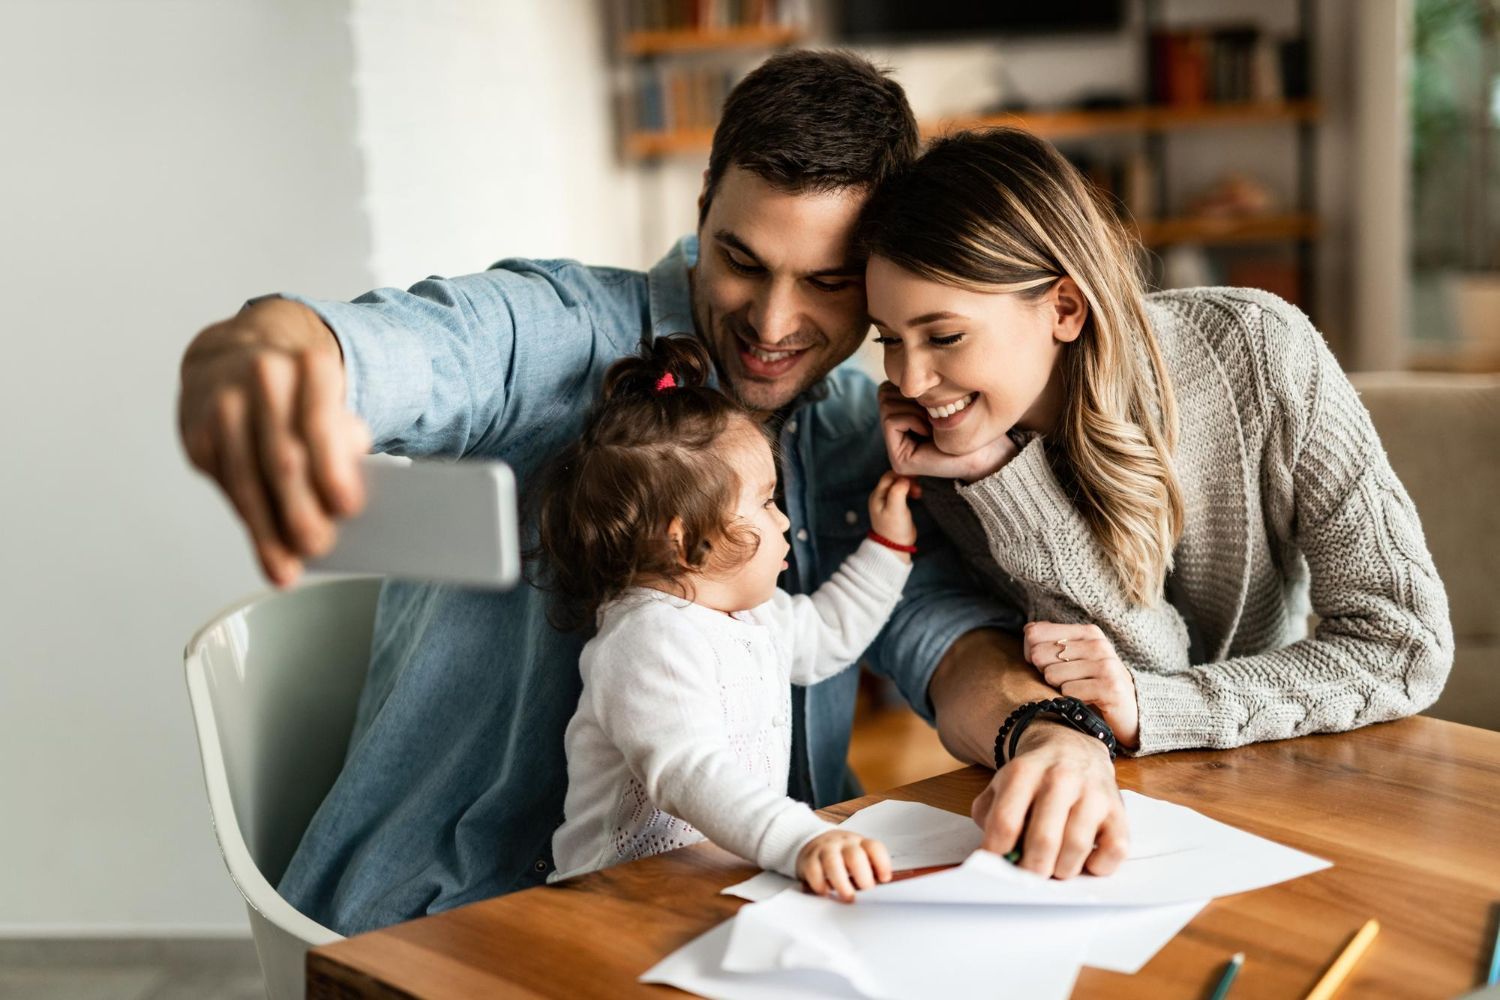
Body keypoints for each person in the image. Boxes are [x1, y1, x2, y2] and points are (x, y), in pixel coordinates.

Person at [176, 53, 1128, 936]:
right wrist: (267, 358)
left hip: (752, 909)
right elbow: (400, 348)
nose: (771, 323)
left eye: (829, 283)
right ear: (705, 202)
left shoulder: (856, 420)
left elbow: (929, 625)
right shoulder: (563, 332)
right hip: (461, 911)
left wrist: (1046, 730)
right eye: (742, 260)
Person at [857, 127, 1453, 758]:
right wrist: (1007, 484)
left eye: (944, 337)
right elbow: (1117, 691)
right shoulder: (953, 461)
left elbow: (1407, 644)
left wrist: (1157, 707)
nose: (909, 380)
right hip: (1135, 798)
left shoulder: (1260, 353)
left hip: (1297, 765)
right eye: (888, 339)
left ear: (1064, 308)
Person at [540, 336, 914, 900]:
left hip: (708, 881)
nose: (783, 522)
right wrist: (799, 839)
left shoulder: (750, 616)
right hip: (613, 898)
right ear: (686, 540)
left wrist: (888, 546)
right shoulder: (647, 637)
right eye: (765, 502)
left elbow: (828, 636)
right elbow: (690, 769)